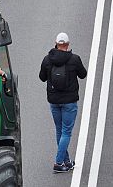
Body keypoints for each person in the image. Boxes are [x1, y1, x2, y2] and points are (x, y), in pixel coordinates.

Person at [39, 33, 87, 173]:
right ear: (68, 44)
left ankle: (66, 161)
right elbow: (83, 74)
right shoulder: (74, 59)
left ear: (56, 43)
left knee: (60, 131)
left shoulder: (47, 59)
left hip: (54, 101)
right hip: (69, 102)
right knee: (66, 132)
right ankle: (59, 162)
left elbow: (42, 77)